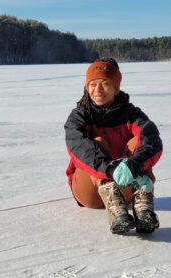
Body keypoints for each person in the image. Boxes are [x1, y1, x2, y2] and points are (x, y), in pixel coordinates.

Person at [64, 58, 163, 234]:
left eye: (105, 83)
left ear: (116, 87)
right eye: (93, 84)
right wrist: (108, 169)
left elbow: (152, 139)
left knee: (138, 143)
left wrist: (135, 164)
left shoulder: (131, 113)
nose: (97, 90)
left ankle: (143, 210)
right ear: (87, 87)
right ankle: (115, 210)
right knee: (97, 143)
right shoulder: (80, 115)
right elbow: (77, 144)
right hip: (90, 191)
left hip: (126, 188)